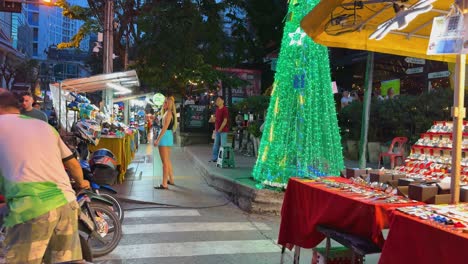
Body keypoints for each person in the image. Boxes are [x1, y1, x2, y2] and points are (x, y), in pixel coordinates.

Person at [0, 89, 90, 263]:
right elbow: (72, 163)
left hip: (30, 208)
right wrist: (82, 183)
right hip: (65, 202)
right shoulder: (44, 126)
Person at [153, 96, 178, 189]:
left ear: (169, 104)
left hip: (164, 137)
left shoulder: (168, 113)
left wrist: (157, 139)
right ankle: (171, 179)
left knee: (165, 162)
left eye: (165, 103)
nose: (164, 104)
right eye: (164, 102)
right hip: (168, 136)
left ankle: (164, 184)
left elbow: (164, 128)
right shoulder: (169, 113)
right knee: (167, 160)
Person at [211, 96, 229, 162]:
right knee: (216, 144)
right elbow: (216, 119)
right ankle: (215, 157)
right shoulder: (217, 109)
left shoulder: (225, 109)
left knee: (223, 144)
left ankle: (223, 158)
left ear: (223, 101)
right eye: (216, 100)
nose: (217, 101)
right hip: (217, 129)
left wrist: (220, 129)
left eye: (219, 100)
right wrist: (213, 119)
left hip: (223, 130)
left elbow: (225, 120)